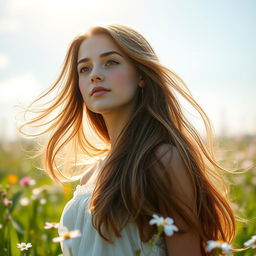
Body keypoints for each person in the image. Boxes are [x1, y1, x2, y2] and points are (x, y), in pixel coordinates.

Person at [18, 24, 237, 255]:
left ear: (141, 75)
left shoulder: (162, 160)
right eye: (84, 69)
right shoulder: (88, 177)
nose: (95, 75)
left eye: (111, 62)